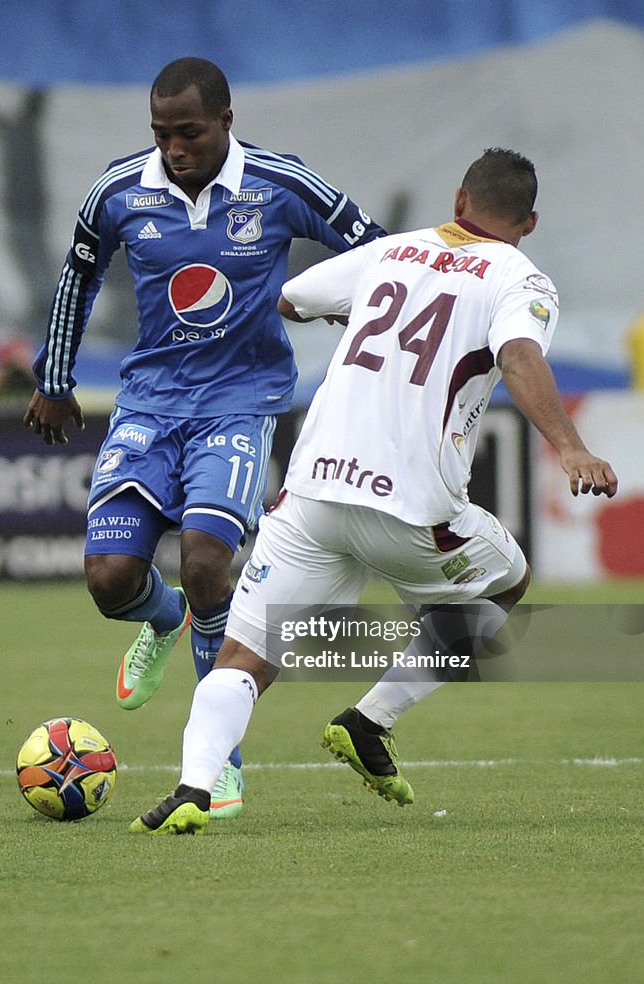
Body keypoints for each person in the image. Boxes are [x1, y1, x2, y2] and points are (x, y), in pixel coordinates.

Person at [128, 147, 619, 836]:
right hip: (412, 513)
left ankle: (192, 787)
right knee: (506, 583)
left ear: (457, 200)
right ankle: (370, 720)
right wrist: (569, 446)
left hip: (314, 496)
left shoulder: (392, 253)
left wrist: (354, 322)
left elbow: (291, 298)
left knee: (244, 658)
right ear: (529, 222)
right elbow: (518, 354)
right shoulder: (521, 277)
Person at [22, 57, 386, 819]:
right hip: (149, 404)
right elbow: (77, 277)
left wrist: (336, 308)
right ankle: (162, 616)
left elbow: (380, 256)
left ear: (225, 120)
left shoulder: (283, 185)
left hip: (240, 405)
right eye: (160, 134)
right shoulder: (119, 190)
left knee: (208, 563)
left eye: (187, 132)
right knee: (108, 580)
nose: (173, 148)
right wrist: (54, 381)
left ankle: (219, 766)